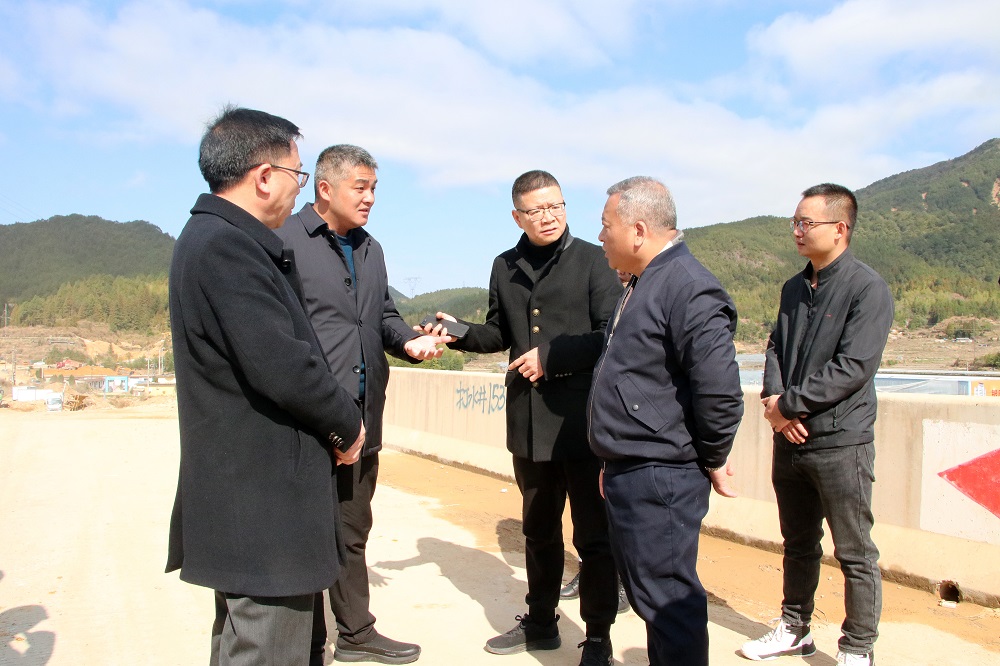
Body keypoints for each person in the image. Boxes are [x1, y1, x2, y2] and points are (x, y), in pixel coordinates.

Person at [167, 106, 366, 666]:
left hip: (248, 498)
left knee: (246, 644)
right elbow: (284, 364)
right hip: (262, 503)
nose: (298, 187)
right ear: (263, 176)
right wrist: (347, 424)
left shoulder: (215, 238)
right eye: (297, 174)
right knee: (266, 648)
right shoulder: (227, 246)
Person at [419, 170, 623, 666]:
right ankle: (541, 622)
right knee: (538, 531)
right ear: (517, 216)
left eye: (556, 206)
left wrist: (552, 357)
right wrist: (457, 331)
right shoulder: (504, 265)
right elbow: (498, 333)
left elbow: (610, 334)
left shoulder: (593, 259)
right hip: (529, 424)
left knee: (594, 538)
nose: (548, 216)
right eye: (536, 210)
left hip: (582, 424)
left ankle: (598, 637)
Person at [276, 145, 447, 665]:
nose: (370, 198)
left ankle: (354, 632)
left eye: (374, 188)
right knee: (303, 534)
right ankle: (306, 643)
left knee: (353, 530)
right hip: (308, 419)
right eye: (361, 187)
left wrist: (410, 341)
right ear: (325, 188)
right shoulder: (284, 241)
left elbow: (384, 315)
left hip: (364, 416)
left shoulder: (371, 248)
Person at [588, 176, 744, 666]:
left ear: (637, 230)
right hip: (633, 467)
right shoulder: (644, 281)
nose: (600, 236)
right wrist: (613, 456)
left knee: (670, 603)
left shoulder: (688, 285)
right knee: (652, 601)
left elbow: (720, 392)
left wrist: (711, 457)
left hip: (661, 474)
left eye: (606, 225)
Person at [741, 184, 892, 666]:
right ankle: (794, 627)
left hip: (840, 441)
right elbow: (775, 347)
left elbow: (854, 366)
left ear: (840, 228)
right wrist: (774, 401)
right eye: (795, 222)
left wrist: (790, 405)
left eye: (806, 223)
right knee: (798, 543)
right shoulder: (793, 287)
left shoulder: (867, 288)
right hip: (790, 440)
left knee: (854, 551)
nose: (797, 231)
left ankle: (858, 647)